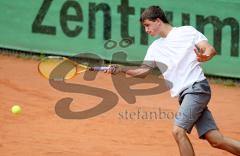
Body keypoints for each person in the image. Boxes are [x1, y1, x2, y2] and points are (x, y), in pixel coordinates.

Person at [107, 5, 240, 156]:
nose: (146, 30)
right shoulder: (155, 47)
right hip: (185, 96)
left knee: (178, 131)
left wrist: (206, 55)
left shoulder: (187, 31)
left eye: (147, 25)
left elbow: (209, 48)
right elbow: (142, 71)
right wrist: (122, 69)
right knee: (215, 139)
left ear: (158, 21)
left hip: (196, 88)